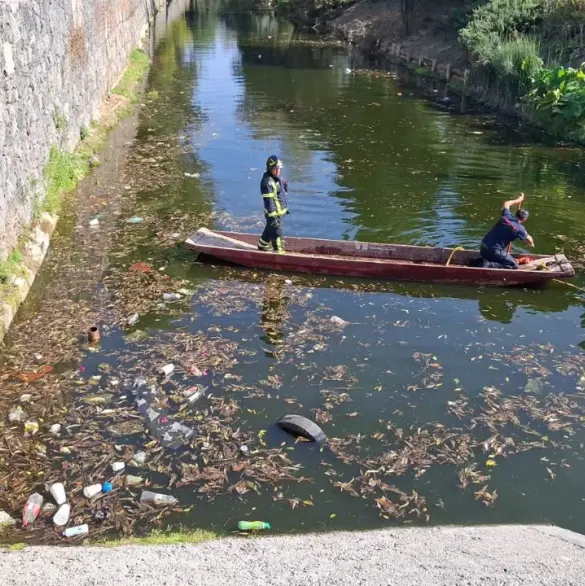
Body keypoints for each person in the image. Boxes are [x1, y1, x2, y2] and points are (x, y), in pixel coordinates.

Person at [479, 193, 534, 269]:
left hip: (483, 247)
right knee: (514, 266)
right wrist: (531, 244)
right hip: (492, 251)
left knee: (500, 255)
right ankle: (488, 265)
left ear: (516, 214)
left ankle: (476, 261)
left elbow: (506, 203)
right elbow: (529, 239)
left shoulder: (507, 216)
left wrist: (518, 200)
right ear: (524, 219)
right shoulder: (520, 229)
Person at [258, 155, 289, 253]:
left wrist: (284, 188)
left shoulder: (276, 178)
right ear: (270, 168)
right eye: (275, 169)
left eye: (279, 169)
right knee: (277, 233)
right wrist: (273, 218)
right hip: (274, 214)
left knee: (270, 228)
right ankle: (279, 252)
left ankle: (262, 245)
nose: (278, 171)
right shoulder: (267, 183)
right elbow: (269, 201)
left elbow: (280, 193)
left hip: (279, 211)